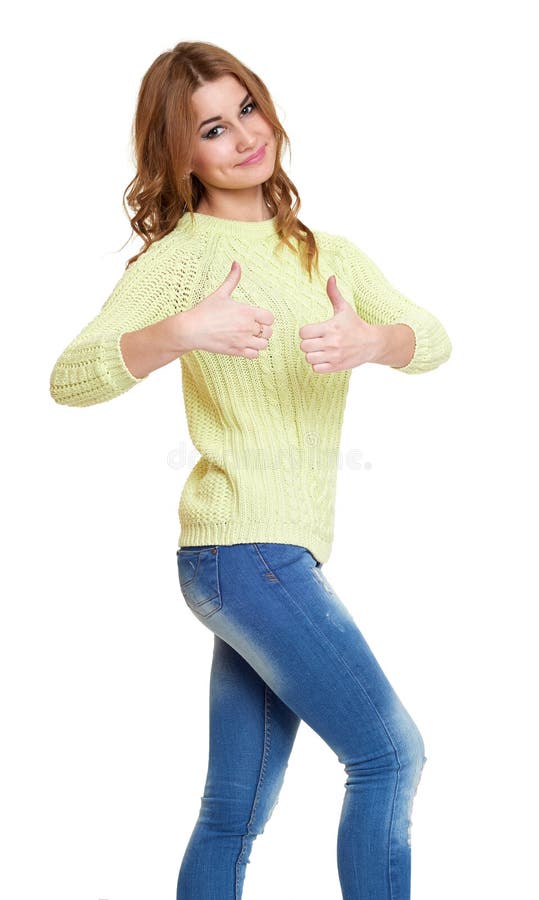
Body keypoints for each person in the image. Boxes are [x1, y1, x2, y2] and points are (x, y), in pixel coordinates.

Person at [49, 40, 452, 900]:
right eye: (211, 128)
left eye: (248, 110)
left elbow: (433, 339)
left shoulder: (327, 254)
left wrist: (370, 343)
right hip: (246, 552)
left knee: (233, 809)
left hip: (262, 560)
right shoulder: (183, 261)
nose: (242, 137)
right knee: (389, 754)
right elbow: (70, 377)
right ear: (181, 156)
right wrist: (176, 335)